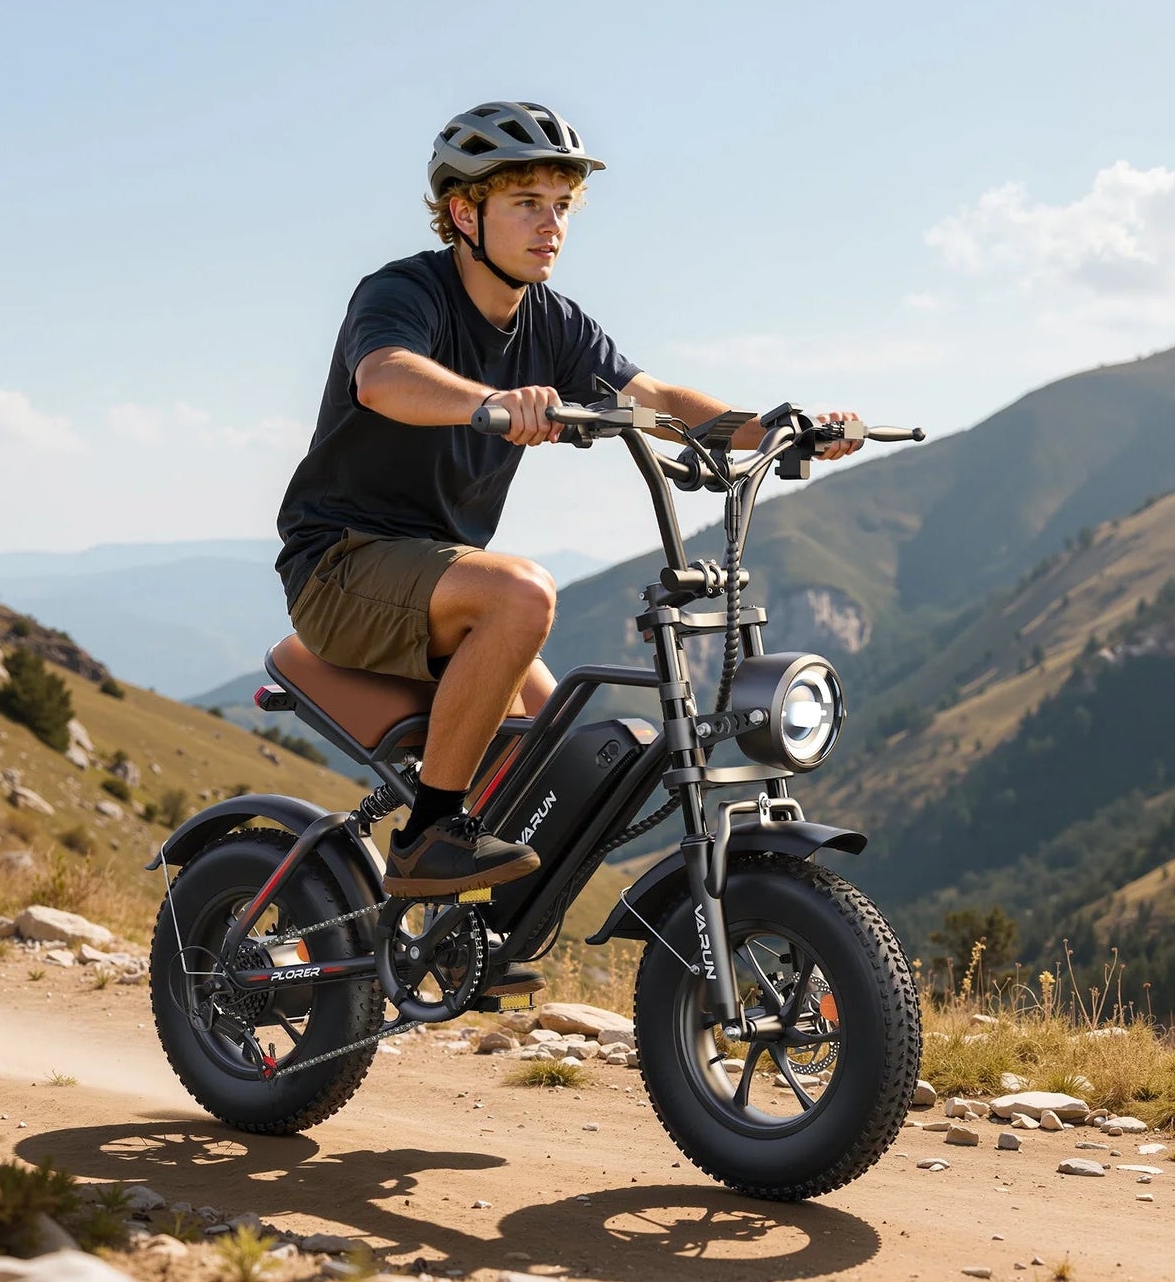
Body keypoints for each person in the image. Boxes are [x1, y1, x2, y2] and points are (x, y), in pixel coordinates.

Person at [276, 100, 862, 911]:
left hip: (439, 578)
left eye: (561, 207)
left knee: (571, 759)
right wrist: (490, 401)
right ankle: (426, 836)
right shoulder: (404, 292)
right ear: (462, 212)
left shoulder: (550, 321)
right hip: (340, 563)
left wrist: (769, 427)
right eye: (526, 204)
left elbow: (651, 396)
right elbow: (384, 376)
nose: (550, 225)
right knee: (523, 592)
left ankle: (480, 939)